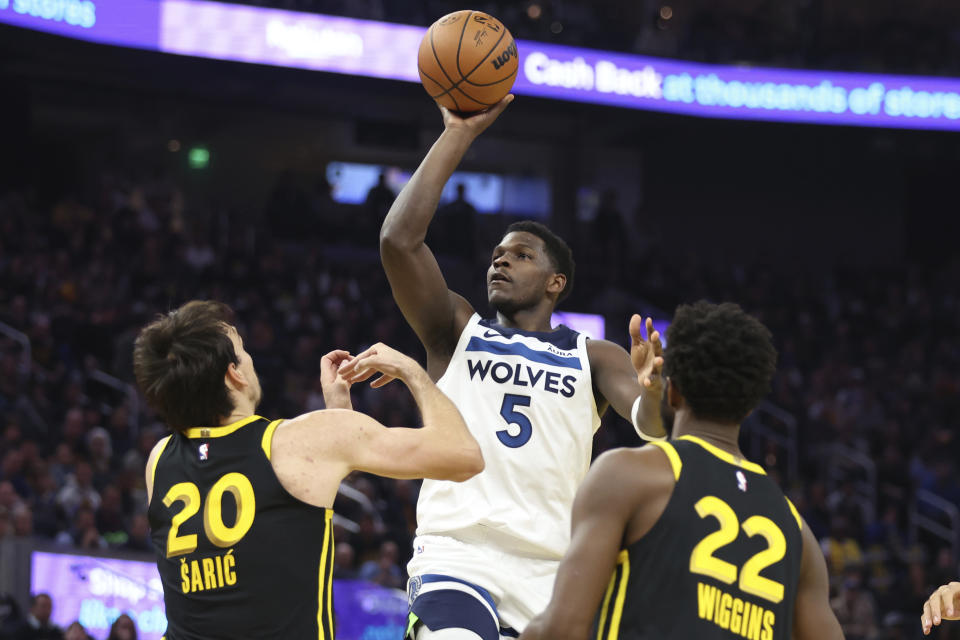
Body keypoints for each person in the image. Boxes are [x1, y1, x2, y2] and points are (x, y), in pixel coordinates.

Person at [379, 95, 667, 639]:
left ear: (556, 283)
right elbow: (398, 241)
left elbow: (651, 425)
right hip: (458, 553)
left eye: (521, 254)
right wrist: (457, 135)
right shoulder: (457, 330)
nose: (500, 259)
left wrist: (653, 392)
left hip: (552, 570)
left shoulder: (594, 354)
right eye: (497, 253)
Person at [133, 300, 483, 640]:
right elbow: (464, 454)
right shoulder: (297, 442)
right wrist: (411, 371)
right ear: (234, 374)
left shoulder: (159, 461)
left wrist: (338, 416)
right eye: (244, 352)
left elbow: (281, 507)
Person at [519, 301, 842, 640]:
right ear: (748, 409)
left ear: (672, 392)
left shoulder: (630, 475)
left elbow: (562, 629)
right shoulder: (798, 532)